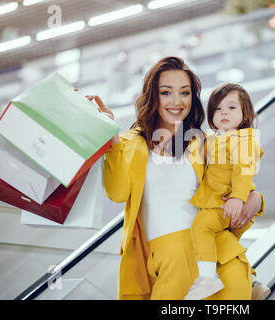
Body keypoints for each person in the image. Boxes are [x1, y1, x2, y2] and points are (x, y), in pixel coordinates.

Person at [93, 56, 264, 300]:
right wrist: (112, 140)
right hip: (172, 260)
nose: (177, 101)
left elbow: (239, 181)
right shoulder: (131, 142)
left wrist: (255, 199)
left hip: (219, 254)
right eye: (166, 92)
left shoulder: (203, 142)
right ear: (152, 96)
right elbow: (117, 192)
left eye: (185, 93)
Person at [184, 83, 264, 300]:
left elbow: (244, 171)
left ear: (245, 113)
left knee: (201, 227)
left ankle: (208, 279)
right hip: (215, 204)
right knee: (211, 233)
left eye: (231, 108)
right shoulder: (213, 138)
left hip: (224, 204)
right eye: (218, 109)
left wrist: (239, 197)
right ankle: (251, 282)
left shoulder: (244, 139)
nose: (224, 113)